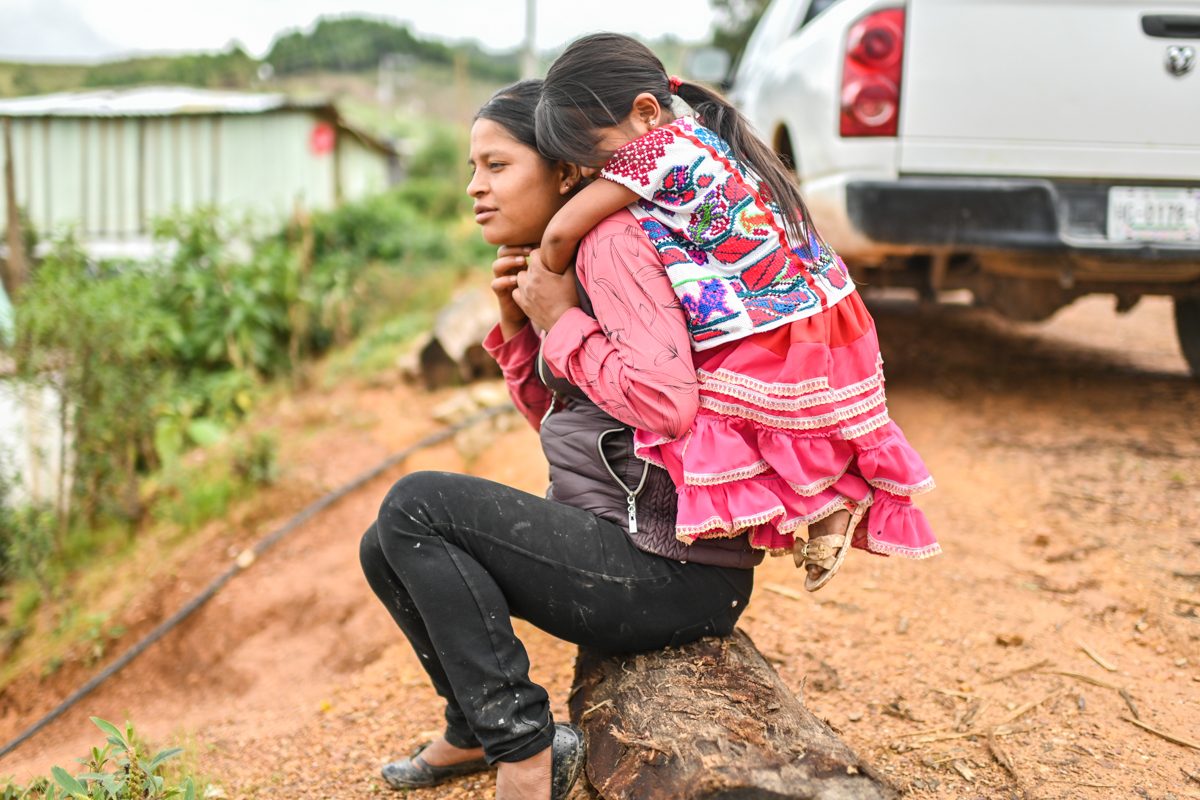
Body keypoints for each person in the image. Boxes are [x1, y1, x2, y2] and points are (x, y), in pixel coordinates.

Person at [360, 79, 759, 800]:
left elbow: (665, 405)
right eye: (471, 170)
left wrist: (562, 320)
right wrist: (524, 328)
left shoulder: (611, 248)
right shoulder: (565, 261)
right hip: (626, 545)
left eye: (497, 166)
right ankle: (473, 728)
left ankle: (526, 754)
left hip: (676, 570)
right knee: (383, 540)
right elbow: (573, 424)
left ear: (566, 170)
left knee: (414, 507)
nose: (476, 188)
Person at [531, 34, 940, 591]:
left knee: (704, 417)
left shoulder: (657, 150)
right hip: (814, 304)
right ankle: (829, 510)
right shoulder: (698, 137)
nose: (594, 173)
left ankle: (824, 509)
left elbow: (558, 234)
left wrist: (550, 273)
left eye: (595, 157)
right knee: (770, 425)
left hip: (777, 317)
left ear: (644, 113)